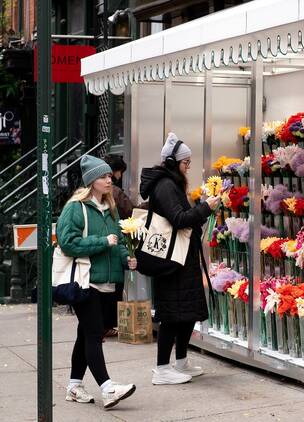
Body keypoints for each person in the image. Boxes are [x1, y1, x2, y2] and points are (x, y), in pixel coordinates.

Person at [56, 154, 138, 409]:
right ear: (91, 181)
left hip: (109, 282)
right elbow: (67, 242)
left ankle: (74, 385)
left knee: (86, 334)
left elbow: (118, 241)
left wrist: (127, 259)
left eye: (108, 176)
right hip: (85, 282)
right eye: (103, 176)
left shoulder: (110, 208)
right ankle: (108, 388)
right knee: (93, 334)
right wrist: (100, 243)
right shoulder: (75, 208)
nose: (109, 179)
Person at [139, 132, 220, 385]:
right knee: (172, 315)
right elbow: (178, 219)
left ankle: (181, 361)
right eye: (186, 163)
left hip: (182, 259)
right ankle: (162, 369)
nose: (188, 167)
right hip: (172, 261)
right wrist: (205, 207)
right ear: (173, 162)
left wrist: (202, 208)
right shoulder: (165, 186)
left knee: (187, 312)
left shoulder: (170, 184)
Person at [102, 155, 135, 339]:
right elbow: (131, 211)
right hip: (114, 243)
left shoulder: (95, 192)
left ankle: (102, 325)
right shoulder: (115, 192)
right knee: (114, 287)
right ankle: (107, 324)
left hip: (106, 244)